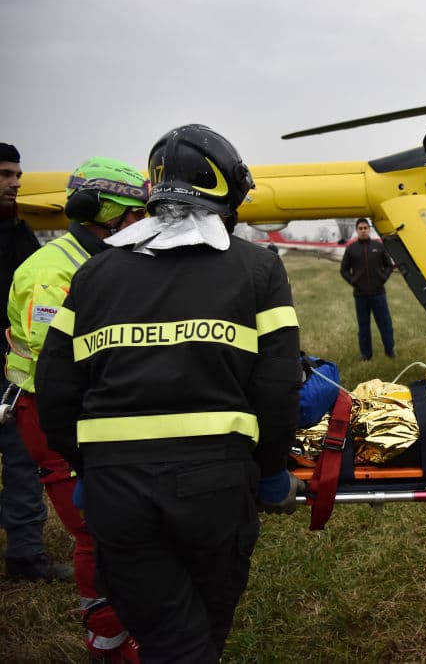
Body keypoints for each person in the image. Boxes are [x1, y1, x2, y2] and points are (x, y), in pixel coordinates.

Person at [35, 124, 304, 662]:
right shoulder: (257, 268)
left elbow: (56, 387)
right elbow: (277, 387)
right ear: (227, 191)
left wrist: (86, 467)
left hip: (116, 492)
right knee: (199, 632)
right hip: (215, 488)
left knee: (168, 633)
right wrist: (273, 470)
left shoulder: (94, 274)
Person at [7, 156, 149, 659]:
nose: (144, 224)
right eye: (136, 214)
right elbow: (58, 365)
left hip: (103, 408)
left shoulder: (113, 259)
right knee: (94, 527)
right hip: (54, 416)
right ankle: (106, 638)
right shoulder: (49, 271)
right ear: (101, 212)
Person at [0, 141, 72, 583]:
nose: (15, 183)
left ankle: (26, 558)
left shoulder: (20, 234)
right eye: (5, 175)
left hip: (13, 370)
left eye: (17, 176)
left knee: (25, 461)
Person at [339, 217, 395, 361]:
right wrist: (354, 282)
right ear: (357, 230)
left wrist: (382, 279)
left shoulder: (379, 246)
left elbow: (389, 265)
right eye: (360, 228)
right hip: (360, 295)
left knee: (385, 324)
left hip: (378, 294)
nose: (363, 230)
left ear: (369, 229)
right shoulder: (351, 249)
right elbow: (344, 270)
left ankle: (390, 351)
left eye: (365, 228)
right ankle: (366, 355)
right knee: (363, 327)